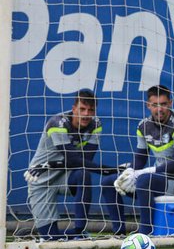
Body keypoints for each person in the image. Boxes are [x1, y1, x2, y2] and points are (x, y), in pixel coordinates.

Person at [24, 89, 120, 240]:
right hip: (41, 179)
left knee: (83, 173)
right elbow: (74, 160)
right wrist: (106, 170)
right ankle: (33, 234)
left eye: (91, 110)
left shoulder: (96, 125)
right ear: (74, 108)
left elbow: (84, 160)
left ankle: (79, 230)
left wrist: (54, 164)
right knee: (49, 238)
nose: (86, 114)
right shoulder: (57, 123)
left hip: (66, 175)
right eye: (82, 109)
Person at [101, 85, 174, 235]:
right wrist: (130, 171)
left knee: (144, 181)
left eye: (163, 104)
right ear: (148, 106)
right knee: (109, 182)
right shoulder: (143, 126)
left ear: (170, 103)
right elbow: (140, 158)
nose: (160, 109)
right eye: (155, 105)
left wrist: (143, 172)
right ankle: (119, 234)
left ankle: (146, 234)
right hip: (158, 178)